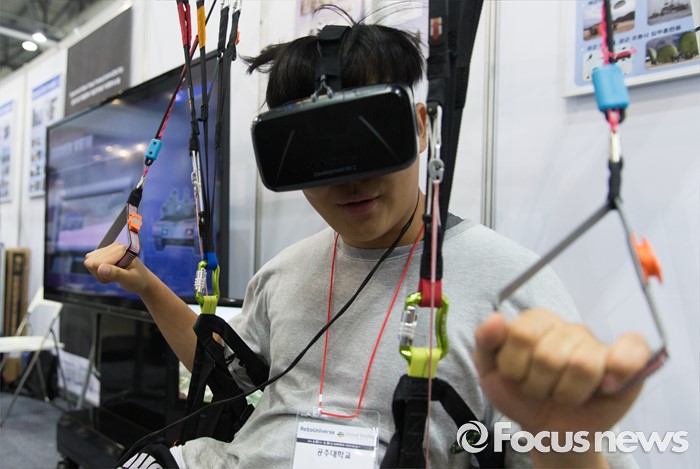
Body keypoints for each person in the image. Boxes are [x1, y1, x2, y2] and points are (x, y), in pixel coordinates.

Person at [84, 18, 650, 469]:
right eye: (316, 149)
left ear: (420, 127)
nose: (348, 179)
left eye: (368, 136)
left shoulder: (511, 288)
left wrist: (568, 438)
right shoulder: (283, 274)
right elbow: (228, 376)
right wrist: (146, 285)